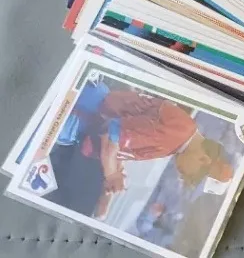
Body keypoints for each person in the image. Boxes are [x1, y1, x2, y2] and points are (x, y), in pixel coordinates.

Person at [46, 79, 234, 220]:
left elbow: (123, 134)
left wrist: (116, 172)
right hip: (74, 113)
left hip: (85, 102)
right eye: (192, 177)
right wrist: (111, 175)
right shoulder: (172, 137)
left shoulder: (183, 131)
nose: (183, 178)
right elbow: (110, 131)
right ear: (204, 159)